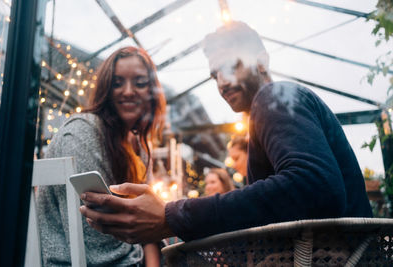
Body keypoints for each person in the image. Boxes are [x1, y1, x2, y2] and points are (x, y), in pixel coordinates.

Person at [79, 21, 372, 244]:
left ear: (262, 60)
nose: (222, 83)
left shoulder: (273, 97)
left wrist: (173, 215)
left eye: (229, 66)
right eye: (214, 74)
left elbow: (314, 187)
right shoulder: (270, 108)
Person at [37, 46, 166, 266]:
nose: (127, 91)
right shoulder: (81, 135)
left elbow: (149, 231)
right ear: (105, 89)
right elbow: (98, 251)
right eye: (117, 83)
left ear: (152, 91)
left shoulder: (141, 149)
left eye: (140, 82)